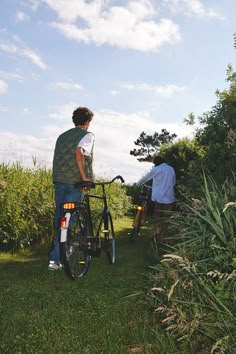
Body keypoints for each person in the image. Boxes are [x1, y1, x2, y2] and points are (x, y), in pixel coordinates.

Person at [48, 106, 95, 270]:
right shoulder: (88, 135)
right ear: (88, 122)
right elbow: (79, 152)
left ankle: (59, 253)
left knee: (61, 218)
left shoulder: (62, 136)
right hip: (74, 183)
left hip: (59, 181)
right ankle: (56, 259)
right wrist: (85, 178)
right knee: (68, 220)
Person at [135, 155, 176, 242]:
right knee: (166, 218)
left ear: (156, 163)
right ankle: (163, 237)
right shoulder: (171, 169)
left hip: (159, 197)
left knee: (157, 216)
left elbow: (146, 177)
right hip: (169, 197)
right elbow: (173, 182)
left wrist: (137, 184)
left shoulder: (157, 169)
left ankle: (156, 234)